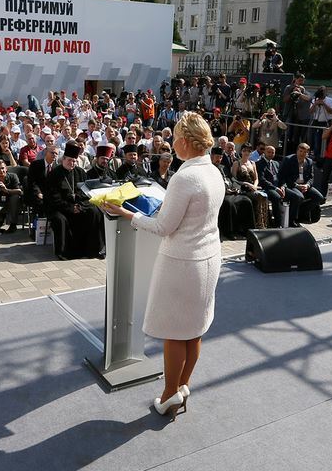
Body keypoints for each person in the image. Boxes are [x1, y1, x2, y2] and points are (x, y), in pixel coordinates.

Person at [102, 113, 224, 418]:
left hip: (183, 262)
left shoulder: (185, 176)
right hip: (209, 257)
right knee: (194, 330)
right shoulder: (213, 171)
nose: (171, 143)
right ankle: (183, 386)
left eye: (174, 138)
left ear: (184, 141)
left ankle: (169, 395)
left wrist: (126, 213)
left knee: (174, 331)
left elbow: (164, 227)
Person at [44, 141, 105, 260]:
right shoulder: (54, 174)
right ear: (63, 159)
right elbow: (53, 197)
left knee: (95, 212)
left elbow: (86, 193)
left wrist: (79, 206)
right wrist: (70, 207)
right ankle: (64, 252)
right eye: (69, 161)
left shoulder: (81, 172)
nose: (72, 163)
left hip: (79, 205)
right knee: (59, 219)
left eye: (74, 161)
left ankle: (93, 249)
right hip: (60, 207)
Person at [279, 142, 325, 219]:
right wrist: (297, 186)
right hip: (292, 185)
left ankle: (301, 212)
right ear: (297, 151)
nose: (302, 154)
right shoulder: (288, 159)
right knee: (299, 197)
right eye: (300, 151)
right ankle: (292, 219)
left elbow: (311, 177)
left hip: (304, 185)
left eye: (305, 152)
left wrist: (307, 185)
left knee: (319, 197)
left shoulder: (309, 161)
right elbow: (284, 176)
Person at [257, 145, 299, 227]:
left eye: (273, 152)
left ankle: (290, 220)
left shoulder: (276, 163)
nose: (270, 154)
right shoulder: (259, 164)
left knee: (296, 197)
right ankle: (278, 223)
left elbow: (281, 177)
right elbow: (262, 180)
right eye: (268, 152)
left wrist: (283, 186)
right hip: (268, 188)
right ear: (264, 152)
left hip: (279, 186)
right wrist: (276, 188)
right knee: (277, 197)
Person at [0, 160, 23, 234]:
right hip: (1, 204)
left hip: (13, 203)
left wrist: (6, 190)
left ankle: (13, 224)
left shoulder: (13, 176)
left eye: (3, 168)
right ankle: (1, 218)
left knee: (15, 197)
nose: (1, 170)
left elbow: (20, 191)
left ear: (6, 168)